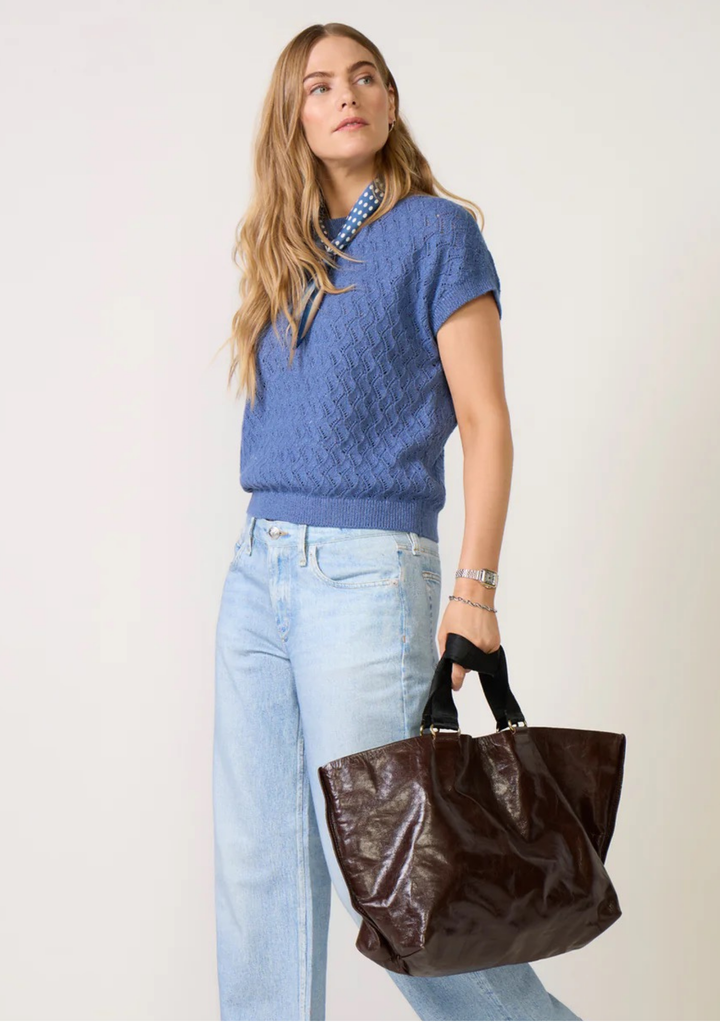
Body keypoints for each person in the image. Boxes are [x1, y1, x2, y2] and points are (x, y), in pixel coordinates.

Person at [212, 22, 582, 1022]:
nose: (348, 95)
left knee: (393, 882)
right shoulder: (283, 251)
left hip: (367, 579)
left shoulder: (436, 233)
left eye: (366, 76)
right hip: (257, 573)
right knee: (259, 877)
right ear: (292, 115)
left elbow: (486, 422)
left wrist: (475, 592)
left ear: (389, 100)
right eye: (321, 84)